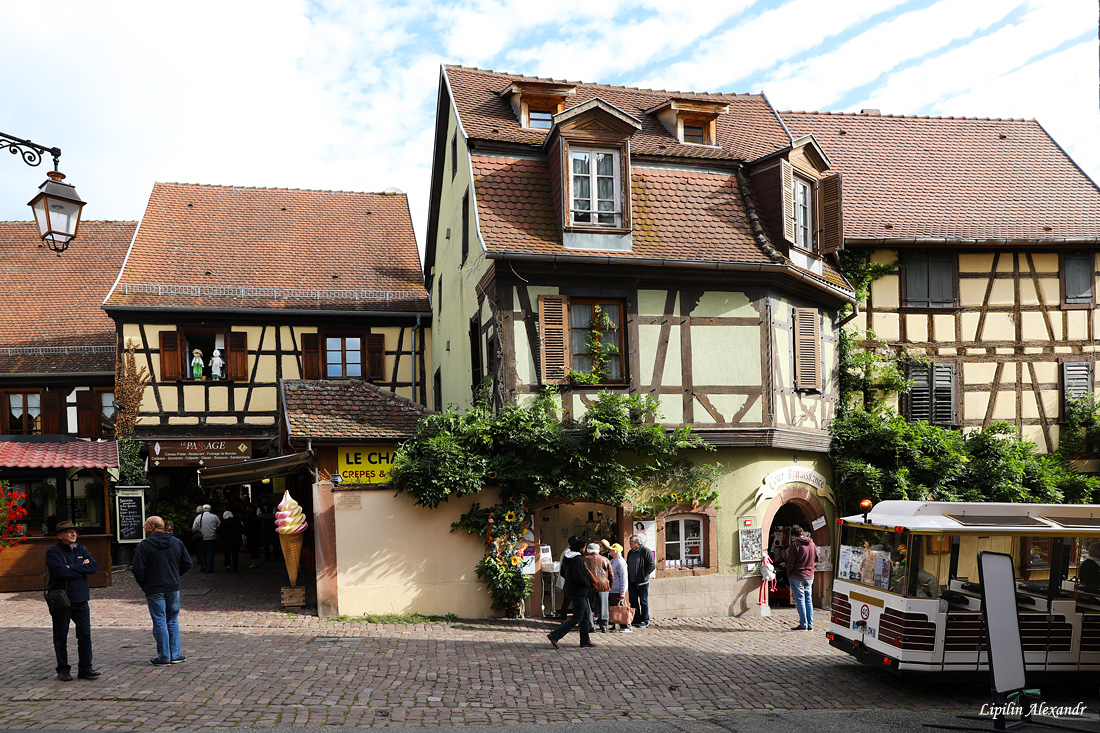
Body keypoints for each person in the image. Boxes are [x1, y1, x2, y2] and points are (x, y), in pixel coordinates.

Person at [131, 516, 192, 665]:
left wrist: (145, 584)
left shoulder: (144, 545)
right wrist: (175, 576)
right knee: (172, 619)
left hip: (154, 587)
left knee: (159, 620)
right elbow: (187, 563)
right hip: (172, 586)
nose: (144, 528)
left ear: (152, 527)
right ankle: (175, 654)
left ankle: (164, 656)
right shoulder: (176, 542)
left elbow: (137, 569)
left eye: (146, 525)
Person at [45, 521, 100, 681]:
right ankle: (63, 669)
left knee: (84, 635)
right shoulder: (53, 551)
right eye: (68, 532)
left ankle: (85, 668)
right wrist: (81, 568)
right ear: (60, 535)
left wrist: (72, 567)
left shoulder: (82, 549)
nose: (73, 534)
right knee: (60, 636)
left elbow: (94, 567)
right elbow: (61, 572)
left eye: (74, 531)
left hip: (81, 599)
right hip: (62, 599)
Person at [547, 536, 595, 649]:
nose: (585, 547)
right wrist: (587, 583)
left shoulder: (567, 557)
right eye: (584, 545)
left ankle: (585, 639)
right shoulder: (578, 559)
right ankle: (555, 635)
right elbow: (578, 576)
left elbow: (563, 573)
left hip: (570, 588)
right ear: (581, 547)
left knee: (585, 616)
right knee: (578, 617)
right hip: (578, 590)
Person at [785, 525, 820, 631]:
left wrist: (788, 573)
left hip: (797, 575)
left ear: (794, 536)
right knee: (808, 600)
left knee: (800, 600)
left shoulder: (794, 545)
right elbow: (817, 558)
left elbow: (790, 562)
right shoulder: (812, 543)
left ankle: (803, 624)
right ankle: (810, 624)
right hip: (810, 575)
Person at [626, 533, 655, 628]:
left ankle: (645, 620)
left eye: (631, 542)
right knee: (633, 601)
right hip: (632, 581)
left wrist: (644, 575)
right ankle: (636, 618)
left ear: (637, 543)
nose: (629, 544)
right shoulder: (630, 552)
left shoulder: (645, 551)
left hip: (642, 582)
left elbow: (652, 565)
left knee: (643, 601)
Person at [584, 542, 613, 632]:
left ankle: (590, 625)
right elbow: (611, 574)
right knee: (603, 606)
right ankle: (604, 625)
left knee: (588, 606)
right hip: (603, 585)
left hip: (589, 585)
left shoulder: (584, 559)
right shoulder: (605, 559)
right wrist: (610, 585)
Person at [607, 542, 630, 632]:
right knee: (613, 608)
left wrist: (622, 592)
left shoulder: (620, 562)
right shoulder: (613, 561)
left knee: (621, 608)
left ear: (616, 551)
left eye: (611, 550)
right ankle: (615, 624)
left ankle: (625, 626)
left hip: (618, 589)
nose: (609, 551)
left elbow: (623, 577)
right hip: (612, 589)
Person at [191, 504, 220, 573]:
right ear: (210, 509)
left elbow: (194, 528)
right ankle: (209, 568)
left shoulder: (199, 517)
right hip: (212, 537)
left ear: (203, 510)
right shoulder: (215, 517)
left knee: (201, 552)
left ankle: (203, 565)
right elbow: (219, 525)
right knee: (210, 552)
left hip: (201, 537)